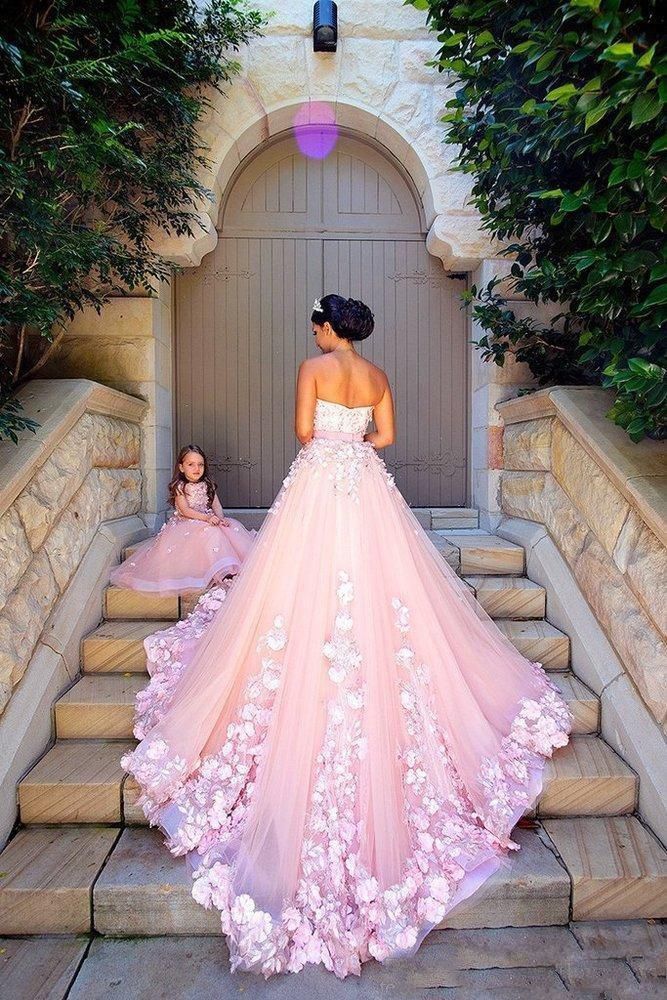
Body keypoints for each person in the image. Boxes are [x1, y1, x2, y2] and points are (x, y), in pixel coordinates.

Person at [121, 294, 572, 979]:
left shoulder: (312, 367)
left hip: (318, 482)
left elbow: (304, 431)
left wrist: (330, 439)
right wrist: (353, 441)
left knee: (296, 581)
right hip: (363, 481)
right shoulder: (379, 376)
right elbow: (382, 440)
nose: (314, 331)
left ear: (327, 329)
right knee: (382, 582)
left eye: (316, 323)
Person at [110, 445, 255, 596]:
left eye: (200, 464)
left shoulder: (208, 484)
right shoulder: (180, 486)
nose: (196, 468)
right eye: (191, 464)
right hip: (188, 522)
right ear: (181, 467)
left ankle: (230, 568)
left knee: (231, 528)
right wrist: (207, 518)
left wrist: (221, 518)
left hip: (208, 519)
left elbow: (215, 504)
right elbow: (185, 510)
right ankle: (219, 573)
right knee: (210, 533)